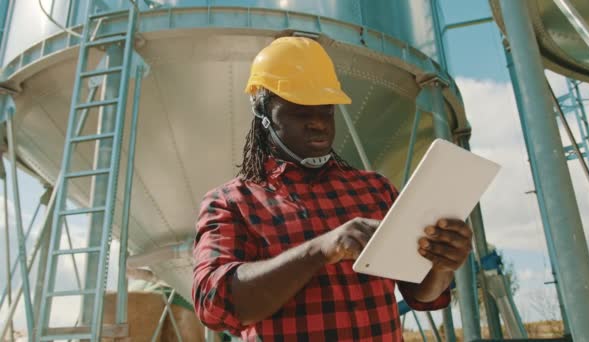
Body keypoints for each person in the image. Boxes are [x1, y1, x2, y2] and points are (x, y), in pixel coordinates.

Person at [192, 37, 473, 341]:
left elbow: (422, 293)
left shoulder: (375, 190)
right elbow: (214, 303)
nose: (318, 123)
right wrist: (322, 249)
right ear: (263, 115)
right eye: (300, 110)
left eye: (325, 110)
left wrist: (443, 264)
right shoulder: (231, 202)